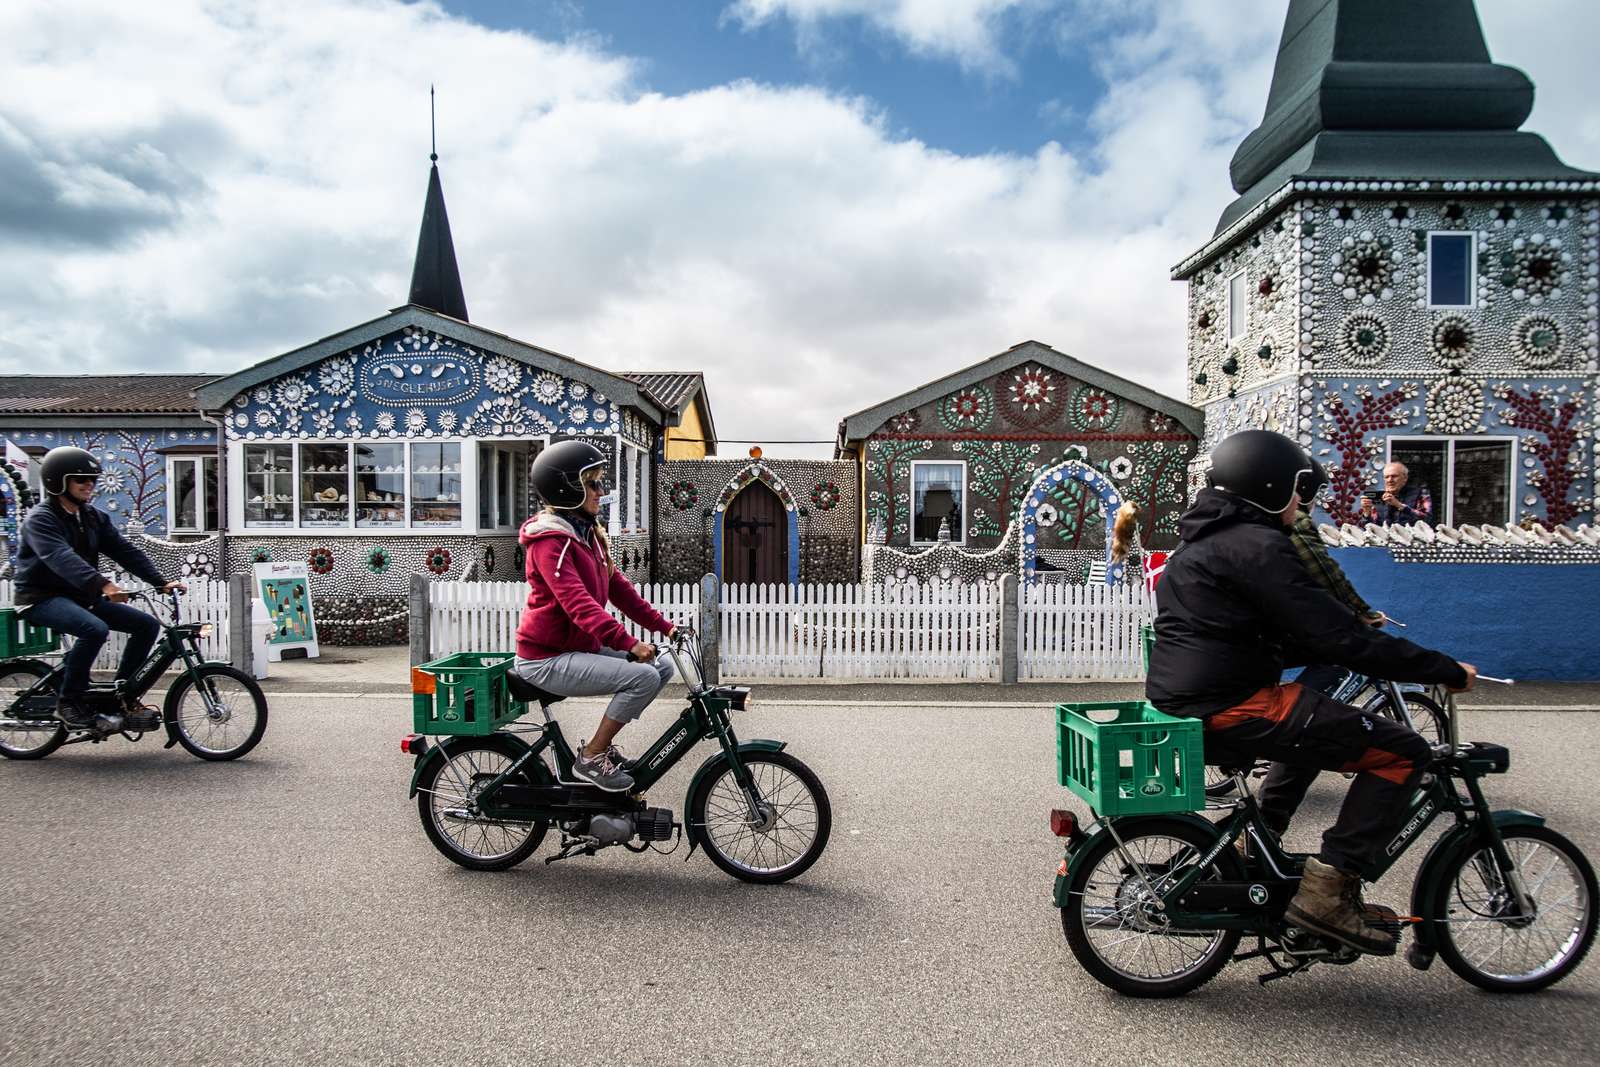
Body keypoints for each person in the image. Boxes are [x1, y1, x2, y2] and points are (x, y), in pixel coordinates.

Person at [1147, 430, 1475, 957]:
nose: (1302, 503)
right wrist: (1441, 668)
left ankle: (1257, 844)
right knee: (1403, 751)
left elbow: (1251, 629)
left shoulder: (1204, 542)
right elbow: (1337, 635)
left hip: (1199, 697)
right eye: (1298, 490)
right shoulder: (1258, 547)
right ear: (1270, 485)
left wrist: (1332, 643)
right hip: (1234, 703)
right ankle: (1328, 894)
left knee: (1314, 732)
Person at [512, 440, 676, 792]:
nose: (601, 491)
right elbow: (579, 605)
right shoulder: (550, 542)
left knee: (662, 666)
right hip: (545, 658)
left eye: (601, 482)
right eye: (593, 483)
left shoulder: (587, 534)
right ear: (567, 489)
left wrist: (667, 628)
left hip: (575, 648)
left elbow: (620, 590)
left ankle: (603, 746)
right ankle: (592, 756)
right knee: (643, 678)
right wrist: (629, 644)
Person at [13, 446, 186, 732]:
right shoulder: (41, 520)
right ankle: (68, 702)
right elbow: (60, 557)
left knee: (146, 625)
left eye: (93, 480)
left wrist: (160, 582)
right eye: (81, 480)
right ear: (58, 481)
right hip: (41, 598)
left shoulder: (92, 517)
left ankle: (122, 696)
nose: (89, 485)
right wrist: (103, 584)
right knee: (94, 629)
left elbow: (124, 551)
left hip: (80, 597)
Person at [1361, 460, 1432, 525]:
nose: (1390, 480)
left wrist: (1399, 505)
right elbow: (1372, 527)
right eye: (1386, 477)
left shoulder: (1419, 493)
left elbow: (1426, 519)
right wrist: (1367, 513)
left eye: (1394, 476)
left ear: (1405, 478)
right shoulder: (1379, 496)